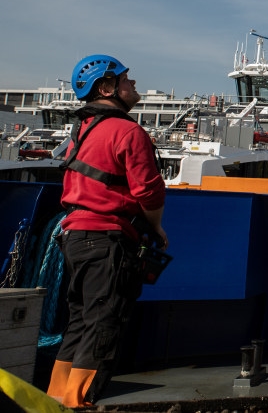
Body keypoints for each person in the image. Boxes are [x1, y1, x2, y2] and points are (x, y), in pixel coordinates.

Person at [47, 55, 168, 408]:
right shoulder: (128, 131)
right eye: (126, 79)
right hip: (106, 239)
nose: (133, 85)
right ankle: (78, 402)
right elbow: (148, 190)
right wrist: (156, 227)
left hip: (74, 236)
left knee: (81, 322)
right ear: (107, 88)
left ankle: (57, 398)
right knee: (103, 323)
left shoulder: (81, 130)